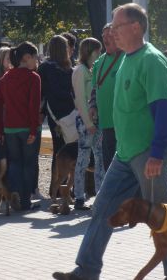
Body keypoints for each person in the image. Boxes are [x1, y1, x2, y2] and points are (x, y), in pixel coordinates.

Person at [53, 3, 167, 280]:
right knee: (102, 208)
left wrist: (157, 154)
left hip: (148, 153)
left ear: (135, 28)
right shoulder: (126, 56)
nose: (111, 32)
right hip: (125, 153)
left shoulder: (151, 60)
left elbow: (163, 110)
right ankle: (86, 271)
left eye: (117, 26)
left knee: (163, 216)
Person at [0, 41, 41, 211]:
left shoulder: (5, 78)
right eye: (36, 58)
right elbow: (33, 106)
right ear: (26, 58)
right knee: (28, 164)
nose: (37, 61)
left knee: (14, 163)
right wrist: (34, 129)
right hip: (27, 128)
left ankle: (14, 196)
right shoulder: (34, 78)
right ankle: (26, 202)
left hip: (9, 129)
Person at [38, 35, 75, 197]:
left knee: (58, 152)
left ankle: (56, 189)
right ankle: (68, 187)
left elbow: (42, 93)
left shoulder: (44, 68)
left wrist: (42, 113)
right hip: (72, 115)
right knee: (72, 151)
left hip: (54, 116)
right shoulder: (69, 69)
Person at [72, 38, 105, 210]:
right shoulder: (80, 71)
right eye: (97, 51)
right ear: (90, 51)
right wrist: (88, 122)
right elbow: (80, 99)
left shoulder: (89, 70)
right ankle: (78, 195)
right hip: (87, 122)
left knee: (99, 158)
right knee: (83, 158)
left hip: (95, 121)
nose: (99, 54)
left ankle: (99, 193)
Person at [89, 24, 125, 171]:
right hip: (106, 123)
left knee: (125, 165)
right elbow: (95, 87)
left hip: (124, 122)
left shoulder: (127, 57)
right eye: (103, 36)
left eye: (109, 35)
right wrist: (92, 105)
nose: (105, 39)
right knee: (109, 166)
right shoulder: (100, 61)